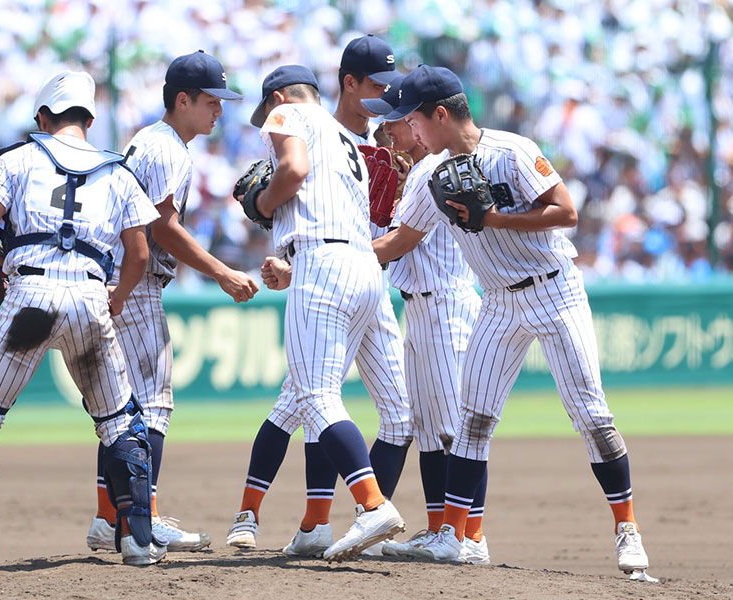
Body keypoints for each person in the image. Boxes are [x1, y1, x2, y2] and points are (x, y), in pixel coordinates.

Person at [374, 65, 650, 574]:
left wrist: (496, 218)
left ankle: (627, 528)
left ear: (440, 114)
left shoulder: (512, 150)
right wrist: (323, 260)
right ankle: (456, 538)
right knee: (472, 422)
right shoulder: (433, 173)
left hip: (554, 292)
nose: (409, 132)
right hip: (498, 302)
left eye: (414, 120)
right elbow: (400, 241)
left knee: (591, 415)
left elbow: (565, 211)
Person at [0, 70, 167, 566]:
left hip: (30, 293)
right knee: (120, 425)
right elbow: (137, 254)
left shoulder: (19, 157)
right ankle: (138, 539)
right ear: (89, 119)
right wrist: (118, 298)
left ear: (44, 118)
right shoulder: (118, 171)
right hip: (91, 297)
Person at [227, 34, 412, 559]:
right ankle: (316, 524)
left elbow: (293, 172)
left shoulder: (290, 116)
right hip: (364, 269)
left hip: (325, 264)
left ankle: (373, 505)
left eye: (265, 111)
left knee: (314, 395)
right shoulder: (349, 139)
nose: (265, 123)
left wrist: (264, 200)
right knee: (357, 403)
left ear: (279, 99)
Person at [85, 50, 258, 554]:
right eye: (210, 101)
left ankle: (108, 517)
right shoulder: (166, 149)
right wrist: (222, 271)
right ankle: (146, 516)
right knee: (153, 406)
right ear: (181, 100)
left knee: (118, 408)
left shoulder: (151, 141)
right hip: (133, 283)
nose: (218, 112)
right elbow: (163, 226)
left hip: (119, 278)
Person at [359, 75, 490, 563]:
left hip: (446, 305)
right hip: (423, 307)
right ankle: (442, 531)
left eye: (396, 122)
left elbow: (395, 246)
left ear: (420, 124)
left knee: (457, 430)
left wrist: (321, 259)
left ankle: (469, 536)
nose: (387, 131)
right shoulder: (415, 170)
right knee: (432, 430)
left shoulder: (430, 170)